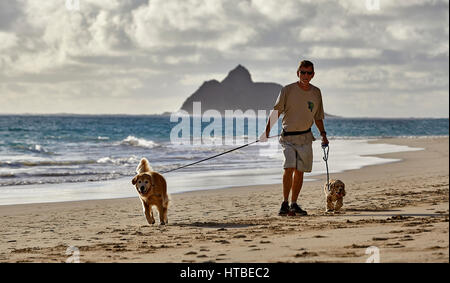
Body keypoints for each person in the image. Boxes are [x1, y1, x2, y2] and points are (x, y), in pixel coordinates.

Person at [259, 60, 329, 216]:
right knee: (289, 167)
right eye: (302, 72)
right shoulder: (287, 90)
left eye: (308, 73)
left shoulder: (316, 93)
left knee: (300, 171)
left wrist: (323, 135)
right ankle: (284, 203)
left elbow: (317, 116)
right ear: (297, 73)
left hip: (305, 137)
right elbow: (276, 112)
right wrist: (266, 131)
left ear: (313, 75)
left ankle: (293, 204)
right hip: (288, 138)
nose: (305, 75)